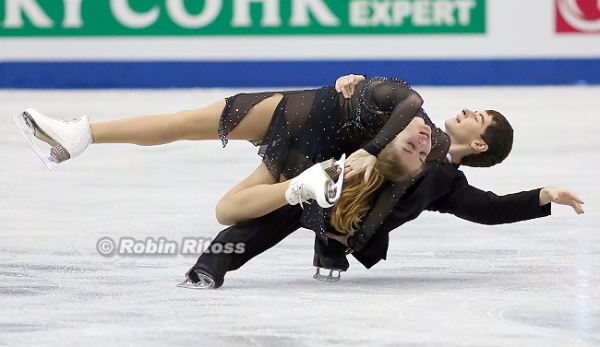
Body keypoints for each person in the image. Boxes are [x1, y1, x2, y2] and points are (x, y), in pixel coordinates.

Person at [181, 75, 584, 289]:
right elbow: (365, 114)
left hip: (356, 221)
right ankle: (212, 265)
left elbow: (491, 209)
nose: (466, 109)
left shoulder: (447, 182)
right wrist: (351, 85)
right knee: (291, 203)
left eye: (477, 117)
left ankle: (331, 245)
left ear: (479, 144)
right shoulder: (417, 126)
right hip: (333, 177)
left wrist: (544, 196)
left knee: (318, 204)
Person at [14, 75, 447, 242]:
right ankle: (298, 186)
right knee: (224, 203)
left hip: (308, 113)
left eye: (477, 120)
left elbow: (413, 101)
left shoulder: (412, 120)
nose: (423, 139)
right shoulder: (432, 139)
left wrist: (372, 154)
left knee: (184, 122)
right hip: (314, 141)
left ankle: (82, 135)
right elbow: (428, 131)